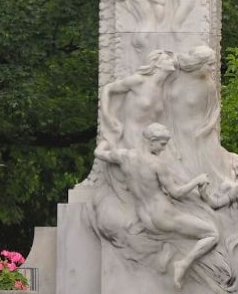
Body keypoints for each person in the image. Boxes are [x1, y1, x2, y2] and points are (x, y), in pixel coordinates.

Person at [94, 123, 220, 288]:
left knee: (175, 236)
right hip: (163, 216)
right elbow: (176, 192)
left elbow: (99, 153)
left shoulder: (124, 156)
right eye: (162, 144)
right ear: (151, 141)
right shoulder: (157, 164)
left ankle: (167, 252)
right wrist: (197, 180)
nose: (163, 148)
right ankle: (183, 264)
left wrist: (107, 138)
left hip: (145, 219)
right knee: (212, 234)